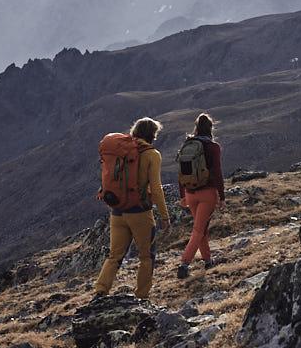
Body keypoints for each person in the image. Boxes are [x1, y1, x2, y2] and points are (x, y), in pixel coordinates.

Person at [94, 117, 170, 300]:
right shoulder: (152, 155)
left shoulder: (121, 150)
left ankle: (100, 291)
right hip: (140, 213)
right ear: (152, 134)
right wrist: (165, 216)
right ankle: (142, 296)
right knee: (147, 256)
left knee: (114, 256)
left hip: (117, 211)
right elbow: (157, 188)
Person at [174, 113, 224, 279]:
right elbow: (217, 173)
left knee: (201, 229)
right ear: (210, 128)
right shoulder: (212, 147)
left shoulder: (187, 144)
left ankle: (208, 260)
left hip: (190, 193)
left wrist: (182, 195)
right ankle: (184, 263)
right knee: (198, 230)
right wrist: (222, 196)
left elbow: (182, 171)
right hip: (207, 194)